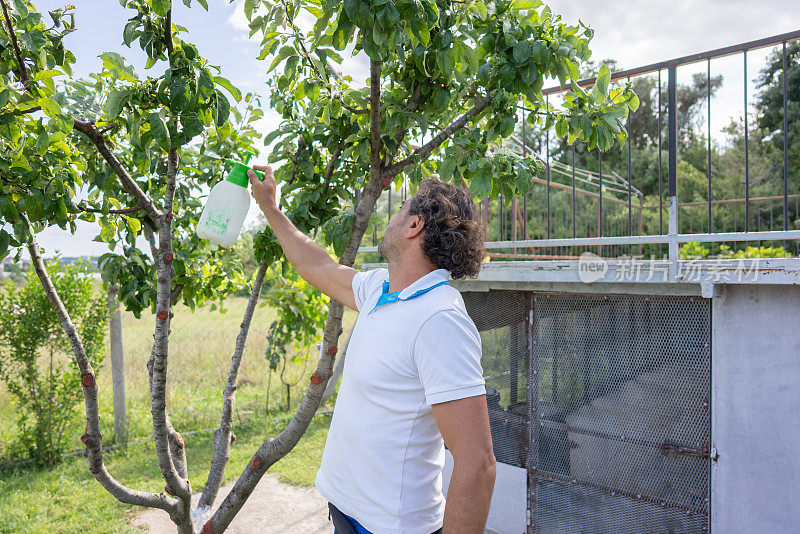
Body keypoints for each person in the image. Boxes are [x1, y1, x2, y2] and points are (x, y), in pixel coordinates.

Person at [248, 166, 496, 534]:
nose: (390, 217)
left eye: (400, 210)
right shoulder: (381, 289)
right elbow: (318, 264)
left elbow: (478, 463)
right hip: (347, 513)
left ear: (415, 226)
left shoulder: (439, 319)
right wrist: (270, 207)